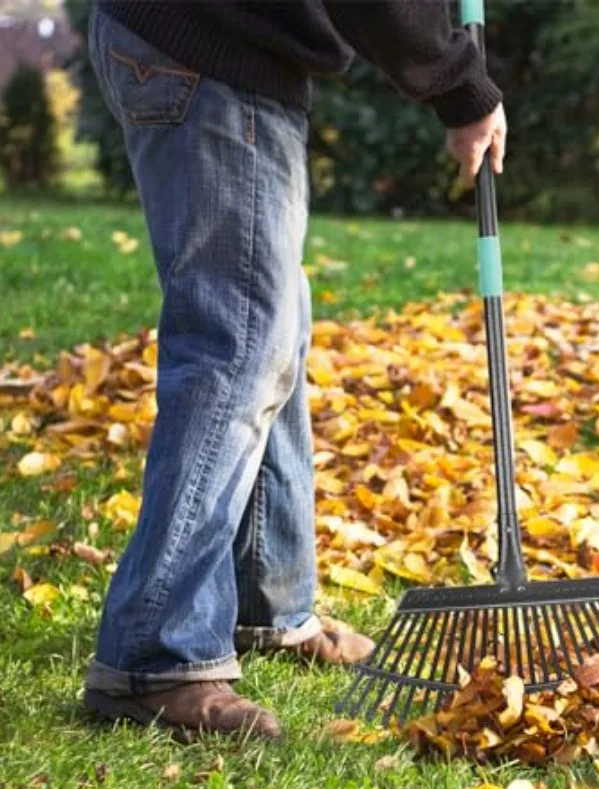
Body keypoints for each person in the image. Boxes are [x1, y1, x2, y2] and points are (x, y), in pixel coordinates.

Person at [82, 0, 508, 741]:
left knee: (269, 331)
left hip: (206, 41)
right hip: (211, 46)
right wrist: (459, 85)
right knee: (239, 344)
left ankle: (267, 605)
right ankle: (155, 654)